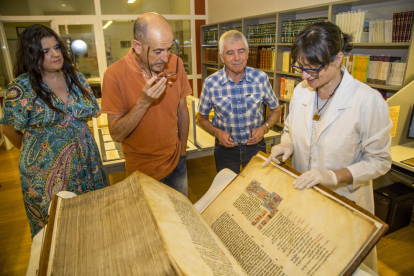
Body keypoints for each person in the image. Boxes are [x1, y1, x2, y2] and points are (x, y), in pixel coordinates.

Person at [263, 21, 392, 272]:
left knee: (343, 264)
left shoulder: (367, 101)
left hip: (345, 201)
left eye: (313, 69)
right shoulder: (302, 91)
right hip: (304, 195)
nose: (304, 76)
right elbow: (290, 129)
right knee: (307, 261)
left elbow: (379, 161)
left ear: (338, 59)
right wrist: (286, 145)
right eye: (300, 67)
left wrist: (331, 176)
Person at [0, 24, 109, 239]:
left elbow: (86, 120)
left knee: (93, 224)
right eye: (45, 51)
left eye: (57, 47)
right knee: (57, 233)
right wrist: (43, 152)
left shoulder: (76, 79)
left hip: (88, 167)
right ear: (32, 55)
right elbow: (10, 130)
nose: (56, 54)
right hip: (45, 175)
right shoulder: (21, 88)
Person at [101, 13, 191, 196]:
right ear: (137, 46)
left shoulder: (176, 63)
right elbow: (116, 134)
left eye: (169, 49)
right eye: (158, 51)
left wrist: (182, 151)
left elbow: (182, 110)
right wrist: (143, 103)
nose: (166, 58)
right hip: (140, 172)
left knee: (181, 220)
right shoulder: (114, 75)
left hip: (176, 163)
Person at [197, 30, 280, 174]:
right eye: (230, 53)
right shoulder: (211, 83)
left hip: (256, 148)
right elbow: (201, 117)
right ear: (221, 57)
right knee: (227, 191)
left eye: (241, 51)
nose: (236, 58)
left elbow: (276, 109)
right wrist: (217, 133)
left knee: (256, 190)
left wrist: (264, 128)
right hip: (225, 151)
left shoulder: (261, 79)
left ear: (248, 53)